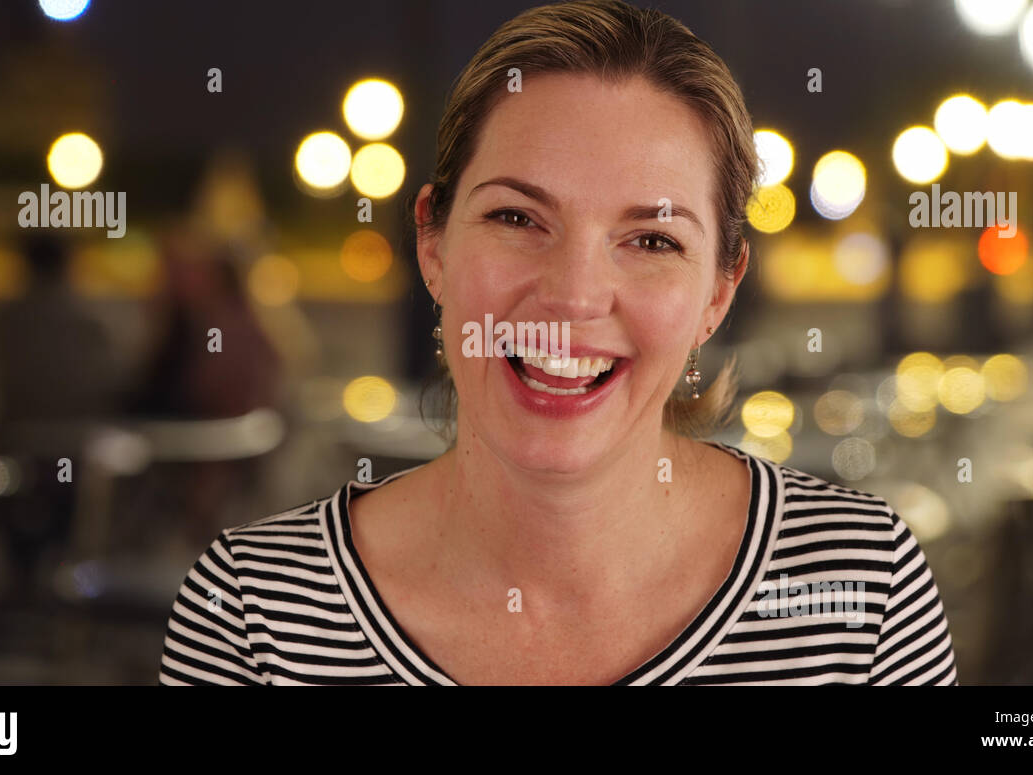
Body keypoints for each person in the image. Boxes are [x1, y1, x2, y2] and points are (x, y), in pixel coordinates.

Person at [159, 0, 957, 685]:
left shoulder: (862, 589)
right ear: (433, 245)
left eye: (651, 240)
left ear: (719, 289)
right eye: (516, 218)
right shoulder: (252, 612)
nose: (573, 296)